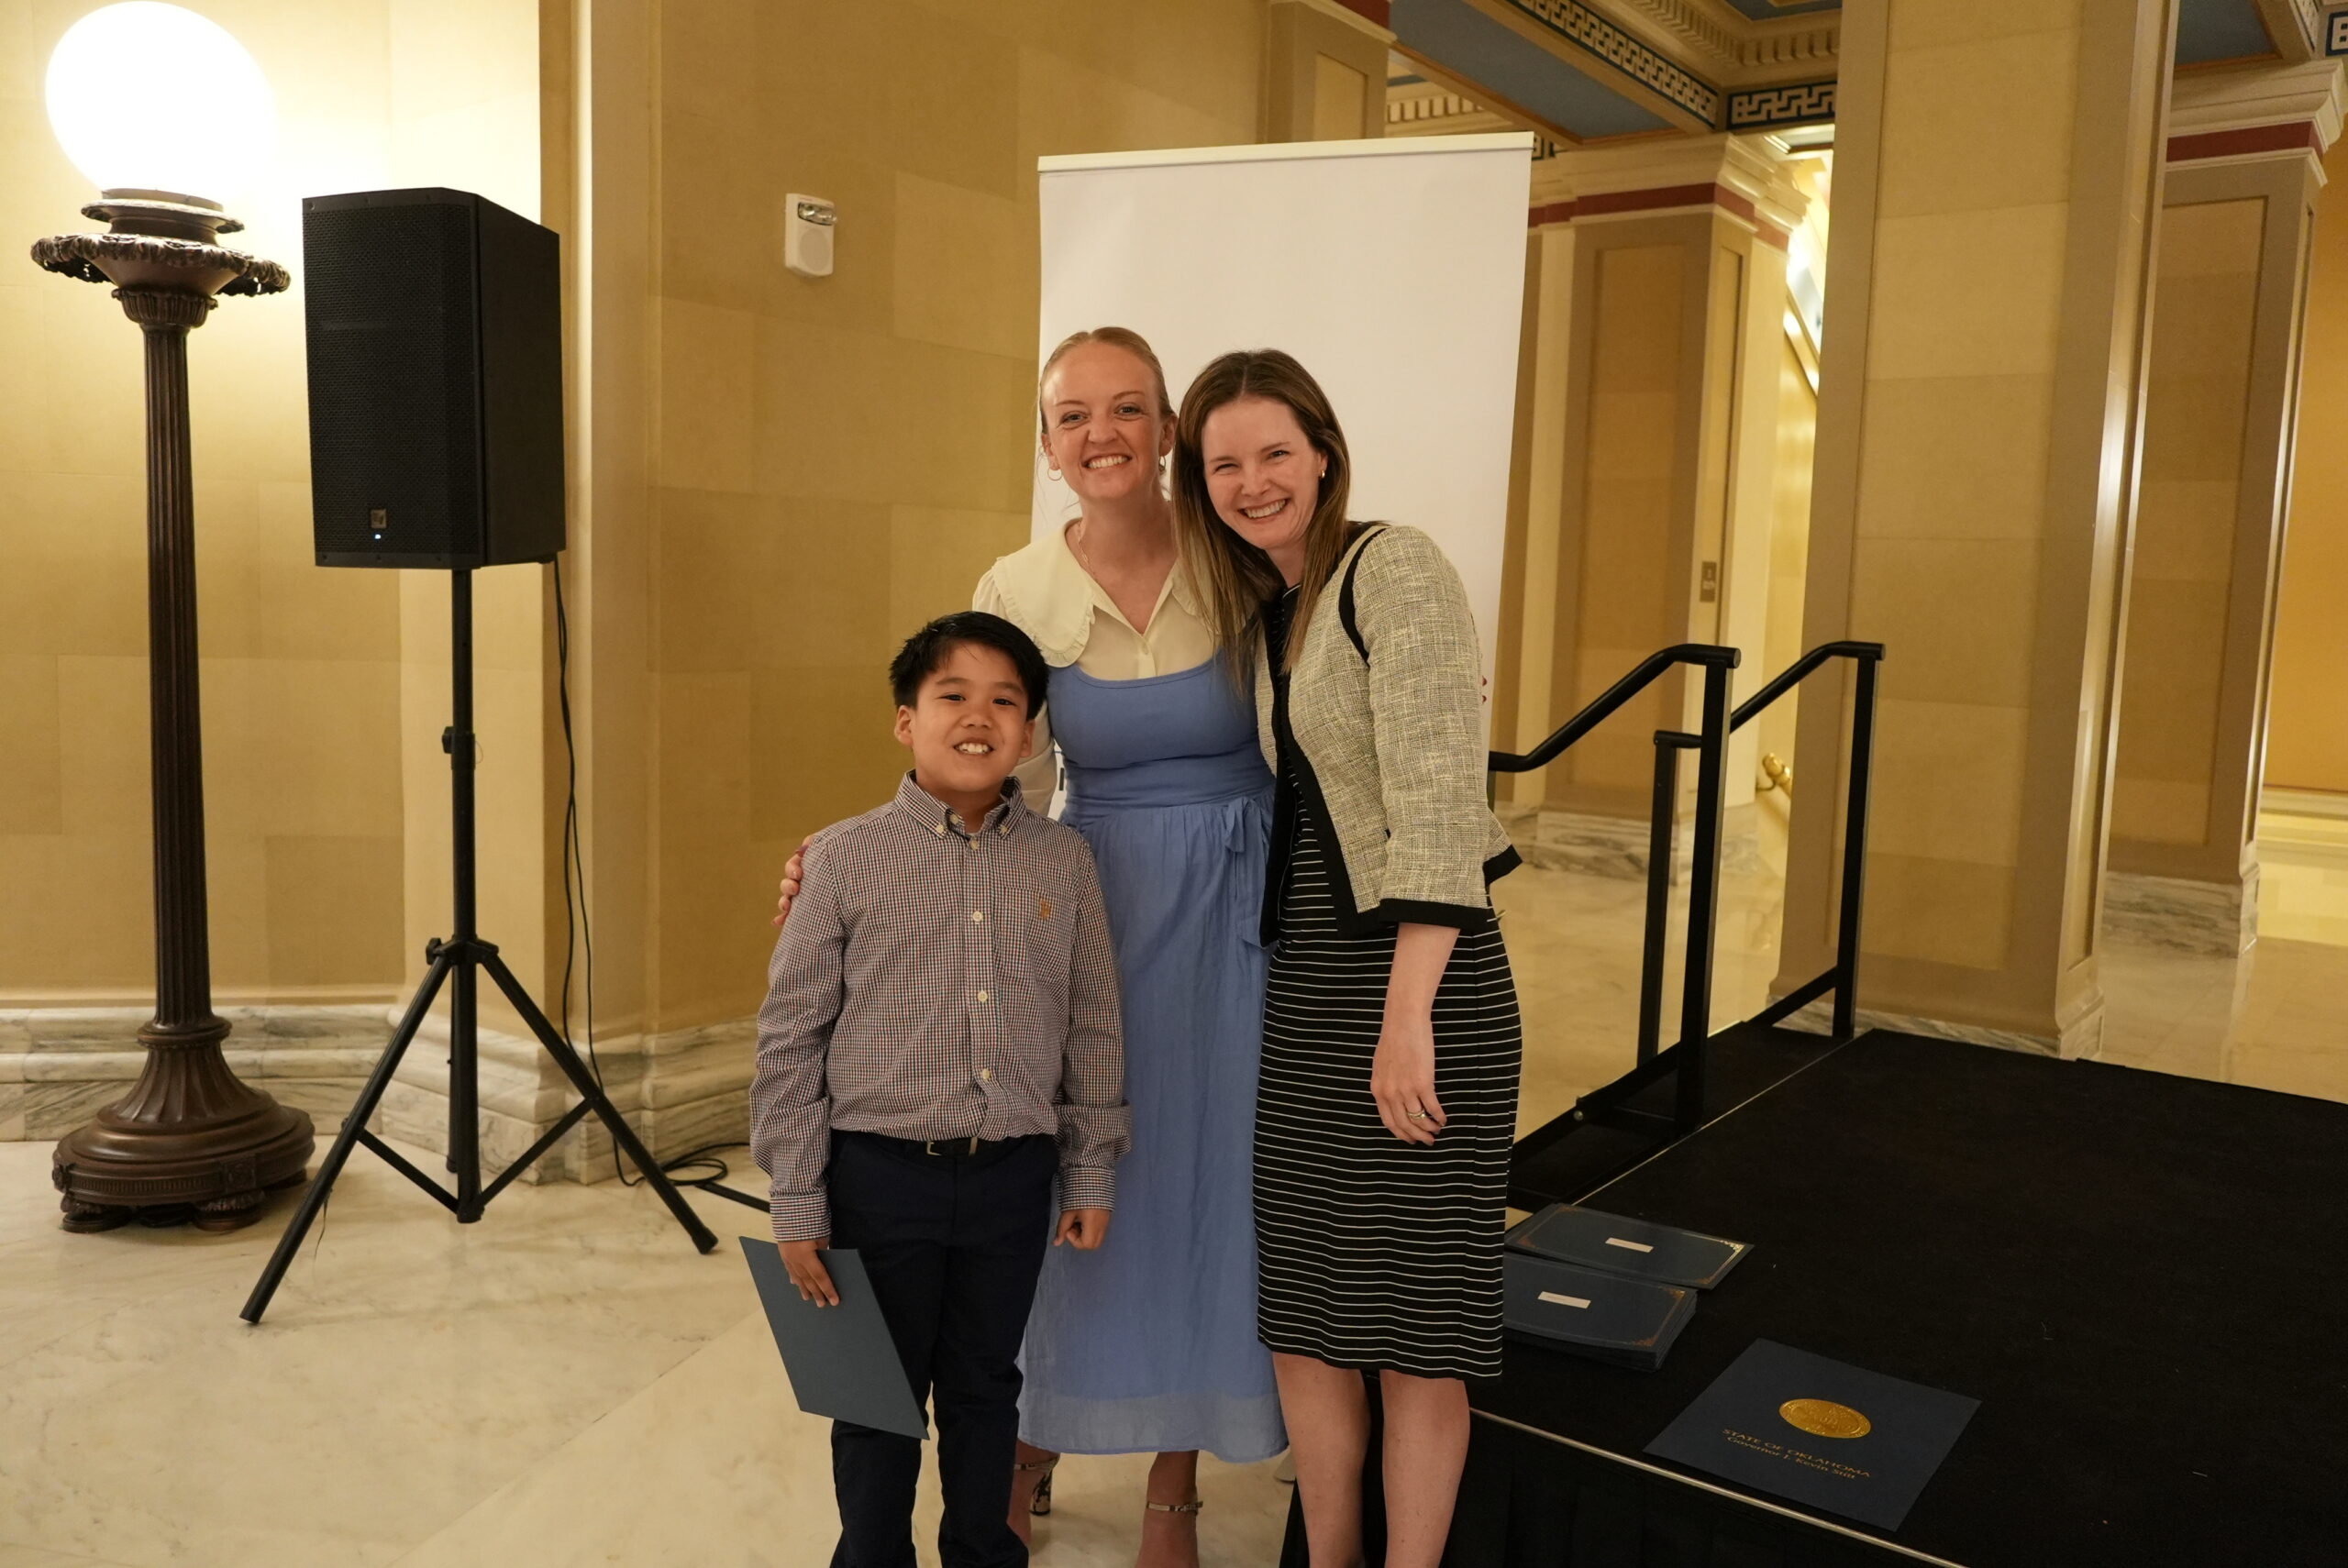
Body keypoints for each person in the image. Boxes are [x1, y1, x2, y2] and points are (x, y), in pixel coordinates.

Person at [778, 327, 1285, 1567]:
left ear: (1167, 430)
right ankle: (1026, 1439)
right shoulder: (1016, 583)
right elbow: (979, 759)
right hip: (1084, 895)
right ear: (1047, 442)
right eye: (1072, 414)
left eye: (1128, 408)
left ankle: (1175, 1483)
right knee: (1042, 1184)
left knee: (1202, 1191)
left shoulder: (1243, 555)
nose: (1101, 433)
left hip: (1237, 912)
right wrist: (839, 860)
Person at [1168, 348, 1523, 1568]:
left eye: (1276, 451)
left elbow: (1437, 801)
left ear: (1324, 454)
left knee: (1419, 1336)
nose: (1253, 481)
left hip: (1419, 983)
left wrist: (1407, 1015)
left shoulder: (1394, 565)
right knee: (1307, 1322)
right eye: (1224, 463)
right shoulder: (1275, 609)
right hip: (1313, 990)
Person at [750, 611, 1132, 1568]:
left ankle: (981, 1552)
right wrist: (796, 1199)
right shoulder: (842, 857)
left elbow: (1092, 1022)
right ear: (905, 720)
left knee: (985, 1388)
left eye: (1005, 701)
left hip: (1011, 1177)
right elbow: (790, 1037)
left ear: (1031, 733)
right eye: (952, 695)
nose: (978, 716)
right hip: (877, 1179)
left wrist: (1088, 1171)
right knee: (874, 1403)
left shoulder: (1064, 862)